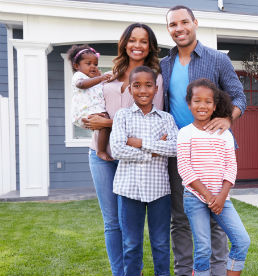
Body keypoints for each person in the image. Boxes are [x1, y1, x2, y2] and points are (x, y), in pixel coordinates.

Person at [160, 5, 246, 276]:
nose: (179, 28)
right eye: (173, 24)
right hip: (179, 150)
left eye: (184, 22)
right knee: (180, 218)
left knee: (216, 216)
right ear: (169, 30)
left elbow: (239, 96)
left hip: (211, 150)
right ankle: (187, 272)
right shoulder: (164, 64)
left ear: (195, 23)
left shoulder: (217, 59)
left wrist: (228, 119)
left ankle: (218, 271)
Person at [83, 23, 164, 276]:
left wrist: (105, 122)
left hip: (130, 157)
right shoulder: (110, 73)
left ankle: (132, 269)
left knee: (129, 225)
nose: (137, 45)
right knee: (111, 223)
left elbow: (150, 121)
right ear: (124, 43)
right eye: (132, 40)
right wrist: (90, 118)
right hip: (99, 154)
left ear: (150, 46)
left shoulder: (153, 78)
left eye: (143, 41)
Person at [177, 79, 250, 276]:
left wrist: (221, 196)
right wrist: (209, 197)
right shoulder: (185, 133)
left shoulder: (224, 134)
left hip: (222, 198)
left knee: (242, 240)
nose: (202, 106)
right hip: (195, 197)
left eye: (208, 102)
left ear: (215, 105)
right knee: (203, 248)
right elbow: (184, 168)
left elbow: (231, 167)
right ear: (189, 103)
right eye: (197, 101)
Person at [110, 66, 178, 276]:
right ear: (130, 89)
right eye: (137, 85)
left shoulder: (165, 118)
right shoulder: (122, 116)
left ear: (156, 89)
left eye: (148, 85)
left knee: (160, 243)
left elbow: (175, 147)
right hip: (129, 189)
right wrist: (155, 149)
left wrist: (138, 142)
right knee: (131, 244)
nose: (143, 90)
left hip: (159, 190)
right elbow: (117, 149)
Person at [68, 44, 113, 161]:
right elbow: (81, 84)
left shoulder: (95, 79)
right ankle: (101, 151)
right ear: (77, 65)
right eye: (88, 64)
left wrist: (101, 78)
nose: (93, 66)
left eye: (95, 64)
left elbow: (102, 85)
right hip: (84, 112)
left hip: (94, 111)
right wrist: (100, 78)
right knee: (105, 124)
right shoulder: (79, 76)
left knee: (105, 124)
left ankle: (101, 149)